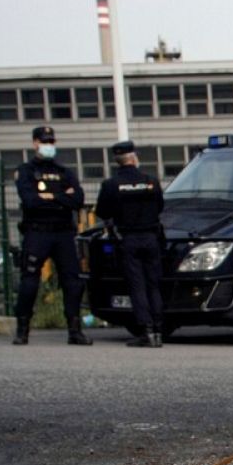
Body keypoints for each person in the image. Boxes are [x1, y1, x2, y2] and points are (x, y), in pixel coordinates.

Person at [12, 126, 90, 346]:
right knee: (30, 281)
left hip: (63, 233)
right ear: (35, 143)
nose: (48, 145)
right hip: (37, 232)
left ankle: (75, 330)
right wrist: (60, 197)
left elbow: (78, 200)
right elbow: (30, 201)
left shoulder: (65, 172)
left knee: (72, 282)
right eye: (44, 141)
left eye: (51, 142)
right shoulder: (26, 171)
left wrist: (47, 196)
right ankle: (22, 329)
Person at [94, 140, 165, 348]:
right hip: (151, 238)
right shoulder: (151, 181)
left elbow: (102, 212)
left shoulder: (111, 185)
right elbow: (160, 206)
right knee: (154, 284)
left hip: (128, 239)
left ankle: (146, 331)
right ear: (134, 158)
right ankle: (159, 329)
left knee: (137, 286)